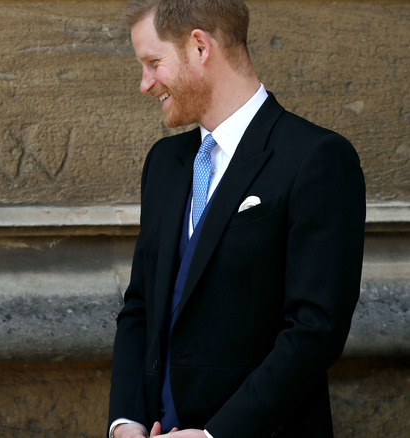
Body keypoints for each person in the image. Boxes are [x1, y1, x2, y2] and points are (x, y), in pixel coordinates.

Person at [107, 1, 365, 437]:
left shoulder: (316, 158)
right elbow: (140, 308)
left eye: (153, 63)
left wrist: (215, 436)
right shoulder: (165, 162)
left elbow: (315, 330)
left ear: (200, 47)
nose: (144, 84)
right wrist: (124, 422)